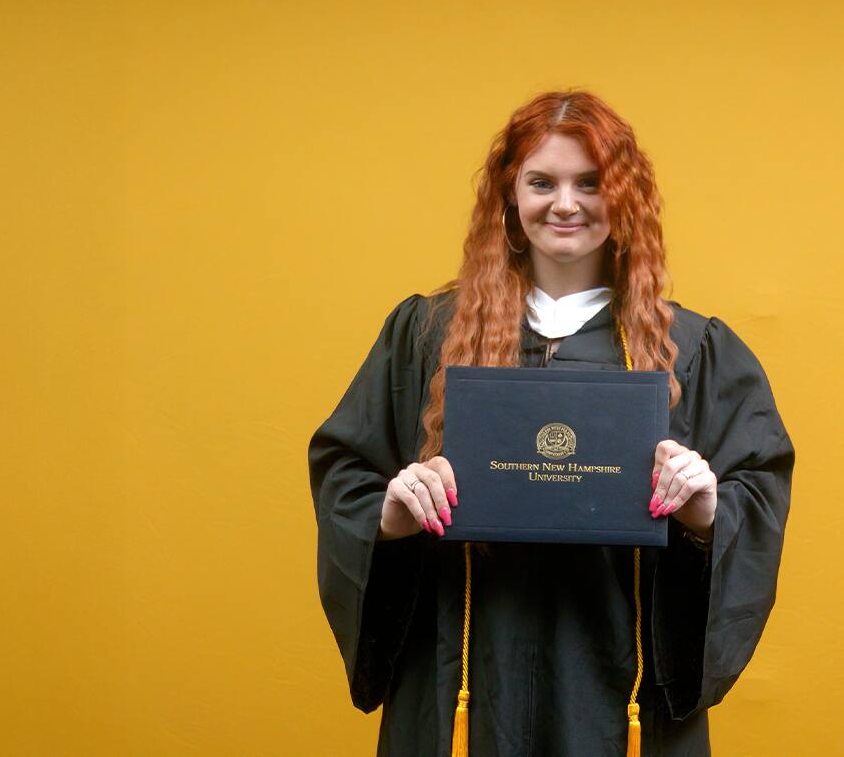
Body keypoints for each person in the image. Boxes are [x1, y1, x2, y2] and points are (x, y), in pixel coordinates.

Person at [308, 90, 795, 757]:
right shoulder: (428, 335)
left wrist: (709, 511)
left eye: (590, 183)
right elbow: (346, 473)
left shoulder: (694, 349)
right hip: (465, 691)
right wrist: (391, 513)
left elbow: (757, 491)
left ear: (623, 197)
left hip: (617, 695)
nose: (565, 204)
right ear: (510, 195)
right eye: (542, 182)